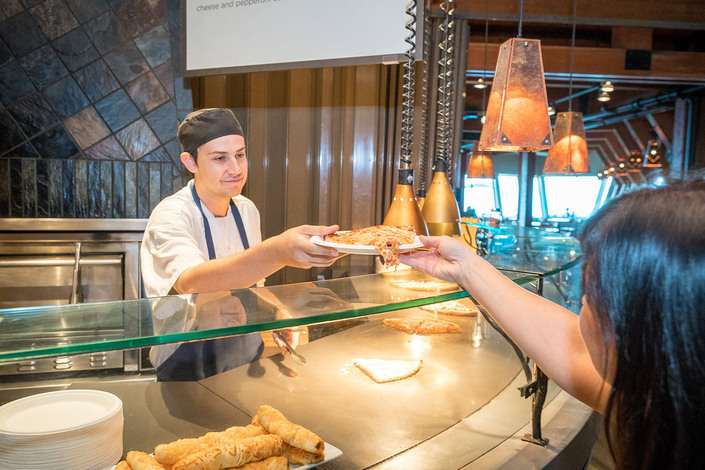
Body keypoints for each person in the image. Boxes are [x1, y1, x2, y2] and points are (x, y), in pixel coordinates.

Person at [399, 178, 705, 470]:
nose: (582, 304)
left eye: (593, 295)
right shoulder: (663, 402)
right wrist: (466, 268)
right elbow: (574, 350)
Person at [141, 108, 340, 380]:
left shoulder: (246, 210)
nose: (235, 169)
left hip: (246, 351)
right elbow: (190, 281)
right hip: (185, 359)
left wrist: (276, 315)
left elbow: (253, 284)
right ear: (190, 162)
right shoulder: (172, 215)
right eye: (220, 158)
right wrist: (277, 251)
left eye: (240, 155)